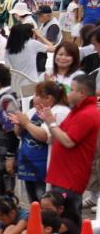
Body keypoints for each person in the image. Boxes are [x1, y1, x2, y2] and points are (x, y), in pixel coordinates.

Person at [42, 73, 100, 215]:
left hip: (70, 177)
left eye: (71, 89)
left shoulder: (87, 114)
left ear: (82, 93)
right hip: (63, 174)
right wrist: (51, 124)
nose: (67, 92)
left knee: (67, 219)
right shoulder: (78, 110)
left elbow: (68, 141)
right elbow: (59, 135)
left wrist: (51, 123)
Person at [10, 81, 71, 203]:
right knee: (33, 203)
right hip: (28, 166)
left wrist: (26, 123)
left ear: (48, 98)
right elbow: (19, 134)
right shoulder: (33, 111)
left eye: (36, 94)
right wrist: (19, 124)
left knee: (44, 201)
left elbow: (45, 136)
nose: (33, 97)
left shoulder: (59, 112)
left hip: (44, 169)